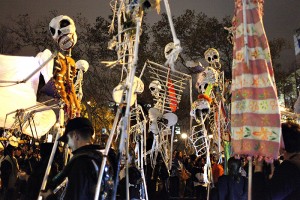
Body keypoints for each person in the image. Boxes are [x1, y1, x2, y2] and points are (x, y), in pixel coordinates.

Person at [42, 117, 114, 200]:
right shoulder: (101, 158)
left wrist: (49, 197)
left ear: (75, 136)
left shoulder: (81, 163)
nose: (68, 145)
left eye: (67, 139)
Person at [252, 121, 300, 199]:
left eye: (275, 137)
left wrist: (258, 167)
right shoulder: (295, 162)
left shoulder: (290, 168)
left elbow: (262, 197)